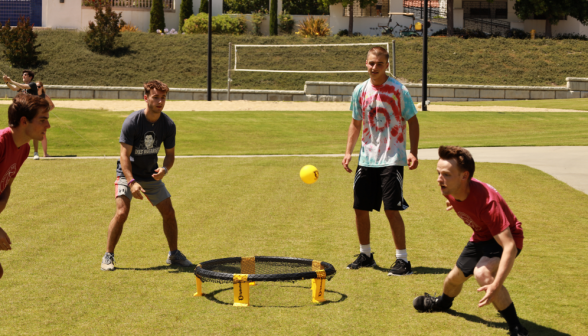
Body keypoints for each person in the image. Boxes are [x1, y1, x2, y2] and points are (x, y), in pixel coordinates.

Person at [413, 146, 527, 336]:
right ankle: (442, 303)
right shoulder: (452, 189)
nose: (439, 179)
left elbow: (509, 246)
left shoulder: (488, 204)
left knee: (481, 273)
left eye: (446, 174)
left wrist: (496, 285)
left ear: (464, 176)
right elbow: (463, 198)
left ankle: (517, 328)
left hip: (506, 239)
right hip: (481, 236)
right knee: (452, 280)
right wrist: (454, 201)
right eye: (438, 173)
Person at [342, 46, 420, 276]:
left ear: (387, 65)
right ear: (365, 63)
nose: (374, 67)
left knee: (392, 210)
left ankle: (402, 261)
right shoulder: (360, 90)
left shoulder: (398, 90)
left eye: (378, 64)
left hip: (392, 158)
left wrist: (413, 151)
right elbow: (355, 123)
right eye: (370, 63)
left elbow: (413, 122)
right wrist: (348, 152)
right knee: (360, 208)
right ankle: (365, 255)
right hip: (366, 158)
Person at [101, 80, 192, 271]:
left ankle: (174, 254)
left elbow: (170, 155)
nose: (160, 101)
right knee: (122, 212)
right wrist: (132, 182)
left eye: (163, 98)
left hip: (151, 175)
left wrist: (165, 170)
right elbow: (124, 156)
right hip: (128, 174)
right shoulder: (132, 122)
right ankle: (108, 255)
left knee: (169, 212)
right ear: (146, 98)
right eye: (155, 97)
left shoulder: (168, 124)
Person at [0, 94, 51, 279]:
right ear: (24, 121)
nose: (48, 126)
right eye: (43, 120)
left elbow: (7, 184)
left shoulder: (24, 148)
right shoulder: (0, 143)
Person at [3, 71, 43, 159]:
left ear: (30, 77)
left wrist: (11, 80)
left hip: (33, 111)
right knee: (21, 130)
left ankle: (36, 153)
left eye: (25, 75)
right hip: (24, 110)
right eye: (23, 75)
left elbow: (23, 86)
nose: (23, 76)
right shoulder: (22, 86)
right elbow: (14, 88)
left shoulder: (32, 85)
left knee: (34, 131)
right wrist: (6, 82)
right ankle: (21, 151)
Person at [33, 82, 54, 159]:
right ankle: (28, 153)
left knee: (43, 135)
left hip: (42, 119)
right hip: (34, 118)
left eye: (38, 86)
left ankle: (45, 153)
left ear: (42, 87)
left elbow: (52, 105)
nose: (37, 88)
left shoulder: (45, 96)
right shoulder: (33, 95)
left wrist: (46, 111)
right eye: (36, 86)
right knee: (29, 135)